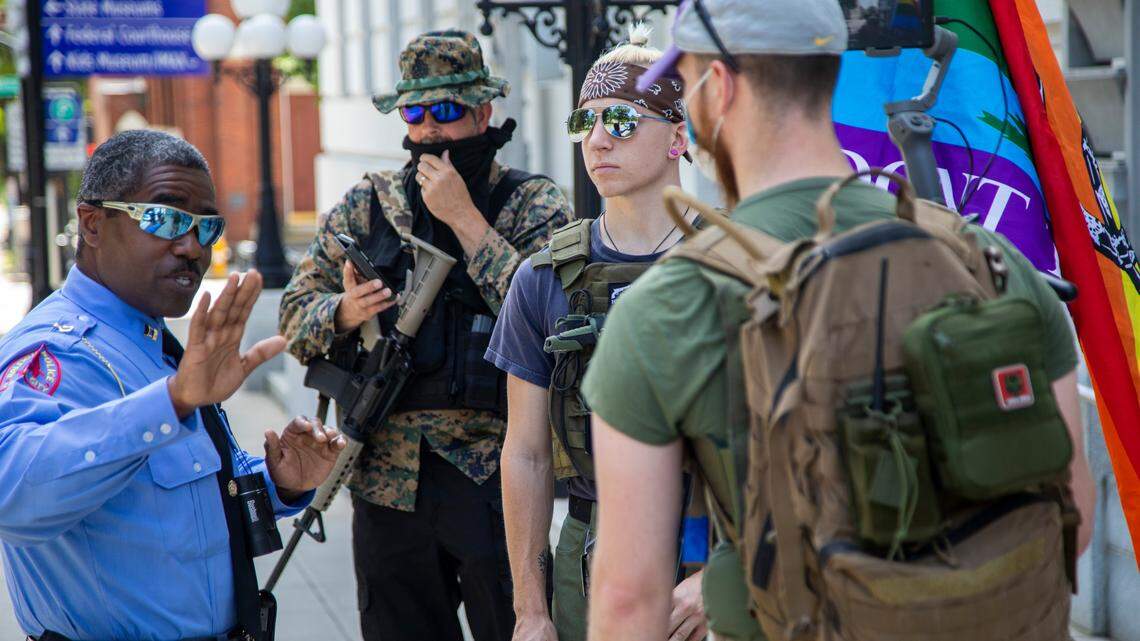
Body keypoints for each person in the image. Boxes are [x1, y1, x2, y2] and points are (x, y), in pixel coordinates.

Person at [579, 1, 1097, 640]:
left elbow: (629, 601)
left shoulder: (667, 307)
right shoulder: (990, 261)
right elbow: (1072, 512)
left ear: (718, 88)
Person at [279, 29, 572, 641]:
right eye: (415, 114)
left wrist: (465, 221)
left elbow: (553, 318)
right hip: (387, 480)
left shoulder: (530, 202)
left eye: (446, 110)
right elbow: (294, 315)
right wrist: (344, 310)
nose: (430, 129)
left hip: (494, 473)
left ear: (483, 113)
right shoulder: (370, 205)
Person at [0, 129, 346, 641]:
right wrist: (173, 400)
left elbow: (181, 503)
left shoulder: (152, 341)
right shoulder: (57, 352)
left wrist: (281, 482)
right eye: (164, 219)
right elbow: (11, 498)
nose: (192, 247)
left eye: (207, 227)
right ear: (92, 224)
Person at [485, 26, 705, 641]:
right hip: (592, 545)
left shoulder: (735, 263)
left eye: (623, 120)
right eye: (585, 122)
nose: (599, 140)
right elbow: (525, 454)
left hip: (715, 540)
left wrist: (723, 573)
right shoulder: (543, 279)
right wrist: (531, 611)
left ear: (678, 136)